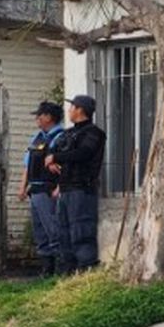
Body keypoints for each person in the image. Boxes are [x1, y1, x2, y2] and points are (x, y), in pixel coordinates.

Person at [44, 95, 107, 274]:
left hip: (82, 189)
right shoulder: (68, 133)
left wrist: (56, 157)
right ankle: (67, 273)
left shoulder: (94, 133)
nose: (69, 111)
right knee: (63, 233)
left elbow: (84, 153)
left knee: (82, 231)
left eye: (71, 107)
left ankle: (86, 273)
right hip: (65, 189)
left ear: (79, 109)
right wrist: (51, 160)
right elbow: (53, 150)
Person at [17, 101, 65, 276]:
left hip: (49, 190)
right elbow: (27, 166)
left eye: (40, 115)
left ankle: (60, 269)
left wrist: (59, 188)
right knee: (40, 231)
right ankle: (46, 269)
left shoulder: (61, 137)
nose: (37, 118)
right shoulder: (36, 138)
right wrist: (23, 186)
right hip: (35, 190)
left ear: (49, 117)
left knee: (53, 229)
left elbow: (66, 167)